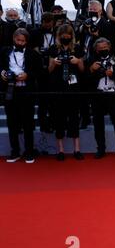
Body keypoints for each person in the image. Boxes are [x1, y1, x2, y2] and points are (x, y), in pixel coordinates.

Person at [0, 28, 42, 163]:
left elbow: (40, 71)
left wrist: (28, 75)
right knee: (12, 123)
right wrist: (2, 73)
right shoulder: (4, 51)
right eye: (18, 40)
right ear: (13, 39)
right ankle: (15, 152)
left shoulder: (33, 54)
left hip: (26, 92)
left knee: (28, 124)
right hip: (10, 92)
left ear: (26, 41)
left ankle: (29, 152)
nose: (20, 43)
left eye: (23, 41)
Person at [48, 24, 85, 161]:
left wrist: (77, 61)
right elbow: (49, 70)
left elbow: (82, 70)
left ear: (72, 36)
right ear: (59, 36)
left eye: (68, 35)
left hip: (74, 88)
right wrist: (55, 63)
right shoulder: (53, 49)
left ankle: (77, 149)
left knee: (75, 117)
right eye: (63, 35)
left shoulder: (77, 48)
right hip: (58, 87)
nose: (65, 37)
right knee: (59, 118)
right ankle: (61, 150)